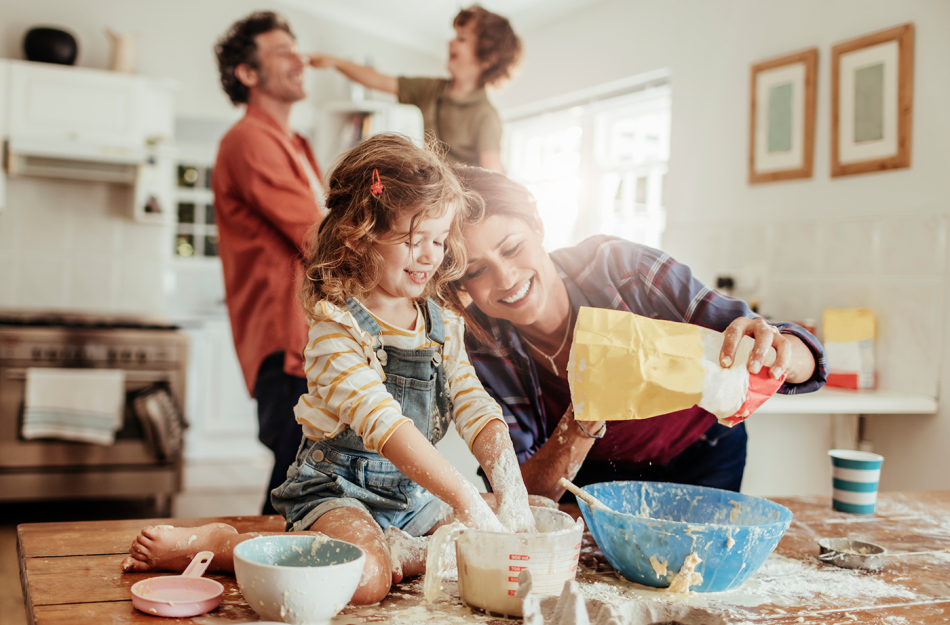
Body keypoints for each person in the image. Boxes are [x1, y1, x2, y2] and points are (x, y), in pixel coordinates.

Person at [121, 134, 536, 605]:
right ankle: (225, 545)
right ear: (359, 234)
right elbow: (384, 425)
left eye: (439, 240)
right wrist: (464, 499)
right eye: (412, 239)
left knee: (515, 520)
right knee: (366, 581)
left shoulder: (444, 328)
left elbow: (474, 404)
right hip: (338, 493)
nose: (429, 255)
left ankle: (399, 550)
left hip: (410, 499)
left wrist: (511, 488)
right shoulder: (335, 332)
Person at [444, 166, 828, 504]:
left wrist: (780, 351)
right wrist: (584, 415)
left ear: (538, 227)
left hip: (702, 458)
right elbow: (519, 493)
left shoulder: (623, 270)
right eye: (476, 271)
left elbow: (804, 363)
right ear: (461, 284)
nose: (506, 278)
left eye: (512, 248)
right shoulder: (479, 349)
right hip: (590, 483)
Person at [212, 12, 326, 514]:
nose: (298, 58)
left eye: (297, 48)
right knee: (294, 488)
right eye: (282, 52)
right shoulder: (249, 140)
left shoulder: (295, 144)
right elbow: (317, 236)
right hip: (287, 346)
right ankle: (252, 581)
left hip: (305, 339)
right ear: (248, 74)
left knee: (301, 482)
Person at [307, 5, 521, 172]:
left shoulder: (485, 116)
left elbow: (493, 175)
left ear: (488, 59)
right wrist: (335, 62)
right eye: (455, 36)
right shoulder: (431, 89)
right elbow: (378, 80)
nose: (451, 43)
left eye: (462, 39)